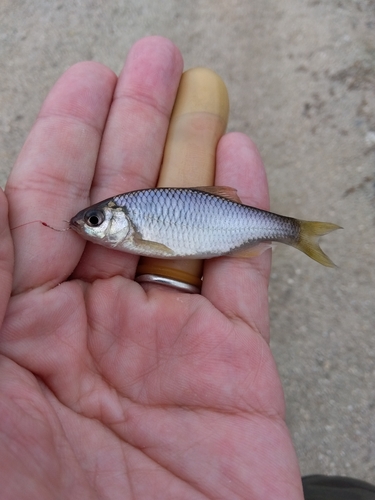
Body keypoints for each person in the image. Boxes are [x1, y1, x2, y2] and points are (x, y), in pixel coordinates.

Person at [0, 36, 373, 500]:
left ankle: (297, 232)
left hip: (221, 230)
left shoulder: (136, 221)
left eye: (95, 221)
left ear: (116, 220)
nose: (88, 227)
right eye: (93, 221)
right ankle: (296, 232)